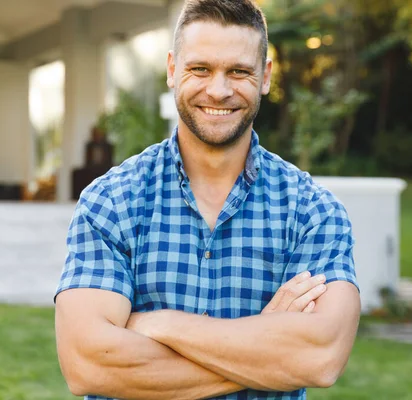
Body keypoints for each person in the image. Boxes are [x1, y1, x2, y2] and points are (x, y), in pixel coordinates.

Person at [54, 1, 360, 399]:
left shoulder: (313, 213)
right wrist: (266, 349)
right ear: (171, 70)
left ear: (265, 76)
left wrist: (160, 324)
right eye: (200, 69)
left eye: (239, 71)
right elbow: (88, 364)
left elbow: (320, 357)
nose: (218, 90)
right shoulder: (111, 202)